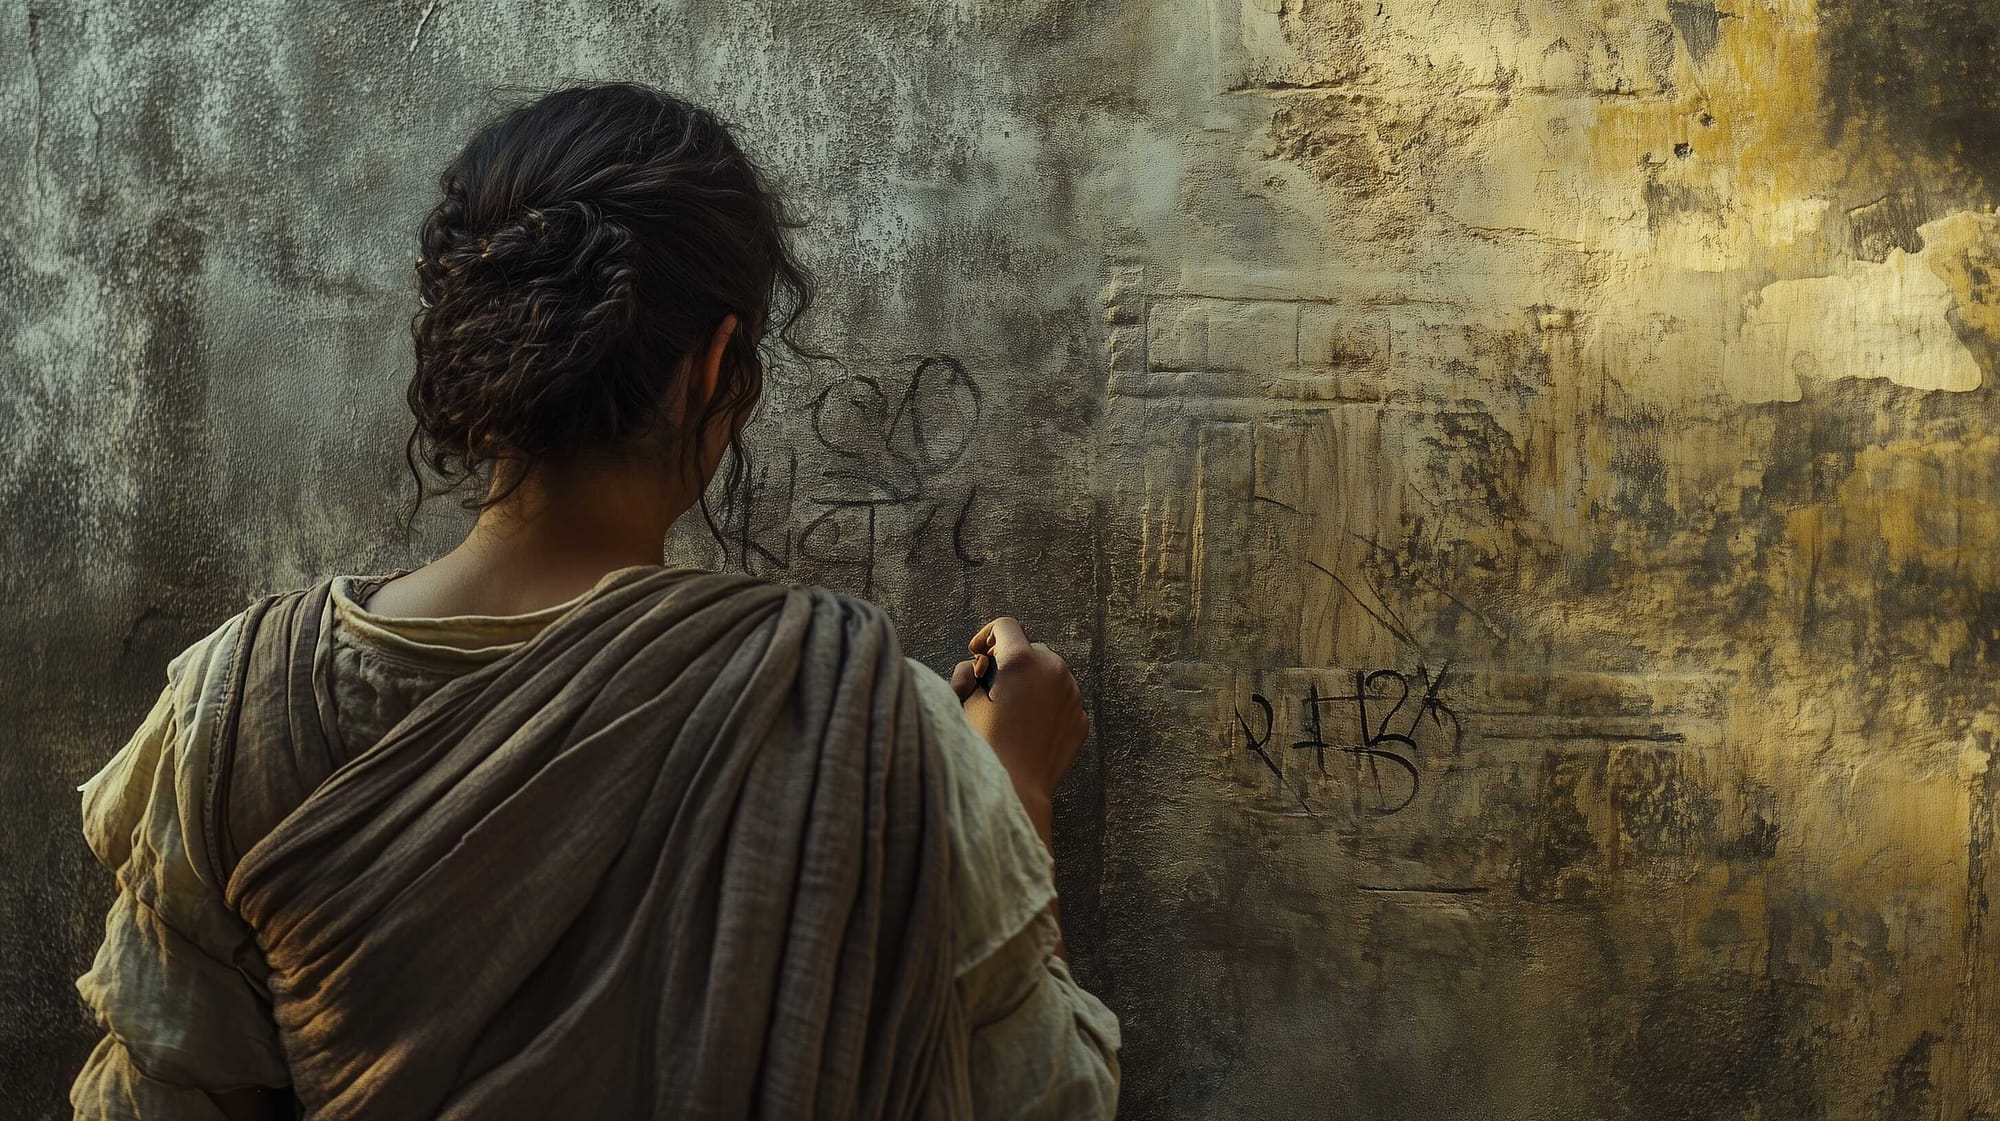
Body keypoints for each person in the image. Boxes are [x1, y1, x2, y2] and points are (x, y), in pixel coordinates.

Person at [70, 82, 1119, 1121]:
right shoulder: (875, 725)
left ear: (468, 345)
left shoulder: (233, 704)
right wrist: (1012, 786)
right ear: (712, 366)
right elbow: (1046, 1095)